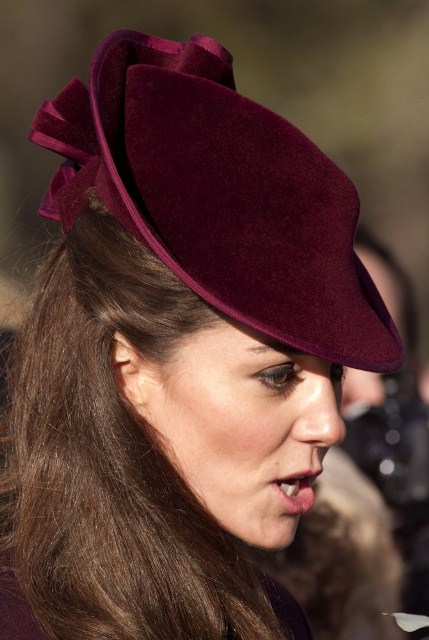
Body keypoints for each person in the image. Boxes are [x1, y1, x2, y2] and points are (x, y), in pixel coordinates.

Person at [0, 28, 404, 640]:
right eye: (278, 375)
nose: (331, 425)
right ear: (127, 372)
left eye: (336, 373)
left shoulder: (268, 616)